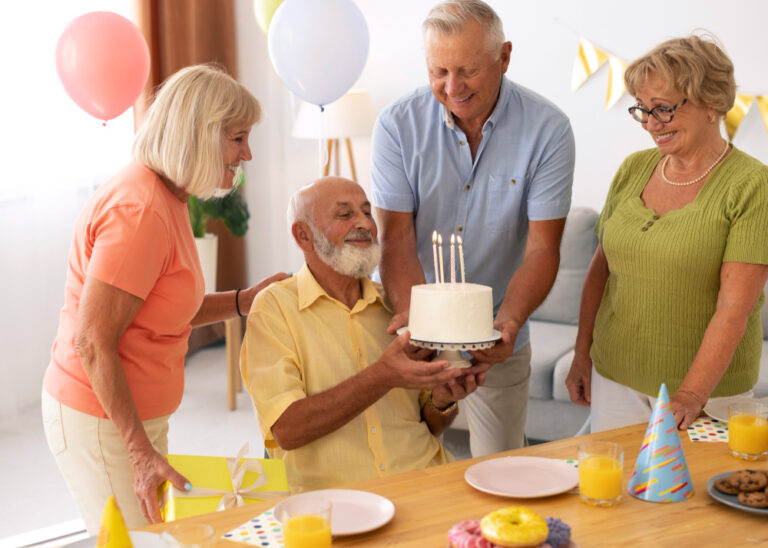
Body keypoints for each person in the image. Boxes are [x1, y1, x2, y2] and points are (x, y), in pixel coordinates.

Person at [41, 64, 288, 533]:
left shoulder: (167, 196)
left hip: (130, 415)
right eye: (238, 138)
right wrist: (138, 449)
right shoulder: (140, 211)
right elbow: (92, 342)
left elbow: (165, 305)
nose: (248, 153)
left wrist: (244, 300)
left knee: (153, 537)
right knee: (135, 542)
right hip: (102, 421)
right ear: (200, 134)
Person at [370, 0, 575, 456]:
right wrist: (415, 321)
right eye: (438, 71)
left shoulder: (549, 130)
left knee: (502, 470)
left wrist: (510, 322)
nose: (452, 86)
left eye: (468, 70)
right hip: (413, 331)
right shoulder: (396, 125)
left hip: (498, 333)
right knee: (403, 463)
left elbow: (543, 249)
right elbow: (397, 240)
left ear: (504, 57)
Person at [565, 35, 768, 432]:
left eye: (664, 109)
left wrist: (691, 395)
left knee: (691, 495)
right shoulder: (634, 168)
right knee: (616, 492)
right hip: (615, 375)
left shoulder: (752, 185)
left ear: (711, 103)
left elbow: (735, 307)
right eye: (643, 110)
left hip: (706, 393)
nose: (652, 124)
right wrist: (581, 353)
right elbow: (600, 271)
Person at [240, 177, 489, 492]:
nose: (365, 225)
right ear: (303, 235)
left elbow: (431, 425)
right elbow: (287, 430)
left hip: (424, 479)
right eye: (345, 215)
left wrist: (441, 399)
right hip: (334, 502)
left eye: (367, 213)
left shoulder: (397, 306)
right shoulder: (274, 309)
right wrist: (383, 376)